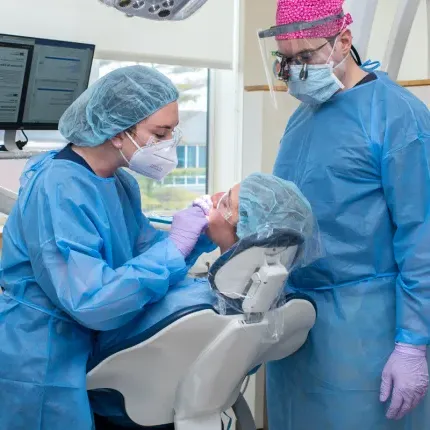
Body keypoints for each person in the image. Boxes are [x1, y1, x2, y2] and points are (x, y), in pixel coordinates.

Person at [0, 65, 215, 430]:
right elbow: (91, 300)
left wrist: (197, 236)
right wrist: (176, 248)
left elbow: (144, 254)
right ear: (118, 131)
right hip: (41, 353)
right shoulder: (58, 187)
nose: (168, 145)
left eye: (172, 133)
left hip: (88, 345)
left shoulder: (119, 183)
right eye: (160, 133)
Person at [258, 0, 430, 429]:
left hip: (365, 331)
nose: (296, 71)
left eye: (306, 57)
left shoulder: (397, 116)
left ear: (344, 41)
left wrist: (413, 342)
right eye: (286, 60)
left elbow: (422, 233)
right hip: (297, 322)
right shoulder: (303, 117)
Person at [86, 172, 315, 429]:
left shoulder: (188, 307)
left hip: (121, 413)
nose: (214, 198)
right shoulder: (265, 309)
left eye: (225, 202)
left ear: (245, 231)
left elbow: (102, 329)